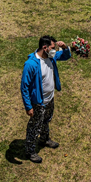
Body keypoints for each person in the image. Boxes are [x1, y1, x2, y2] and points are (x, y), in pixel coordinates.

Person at [20, 35, 70, 163]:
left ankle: (44, 139)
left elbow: (65, 56)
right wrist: (28, 107)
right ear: (45, 47)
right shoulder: (31, 64)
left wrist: (65, 47)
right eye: (53, 48)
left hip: (50, 99)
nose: (55, 50)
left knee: (46, 120)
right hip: (38, 102)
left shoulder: (50, 57)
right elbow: (24, 87)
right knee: (34, 126)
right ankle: (30, 151)